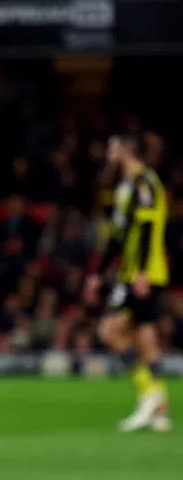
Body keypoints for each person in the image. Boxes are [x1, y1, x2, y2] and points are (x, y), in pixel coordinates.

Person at [84, 134, 172, 432]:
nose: (108, 152)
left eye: (112, 146)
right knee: (144, 339)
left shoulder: (145, 183)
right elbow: (118, 235)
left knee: (110, 331)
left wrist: (143, 272)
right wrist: (99, 272)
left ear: (125, 151)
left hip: (143, 273)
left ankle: (149, 395)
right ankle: (157, 408)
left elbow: (147, 228)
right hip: (131, 273)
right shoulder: (124, 187)